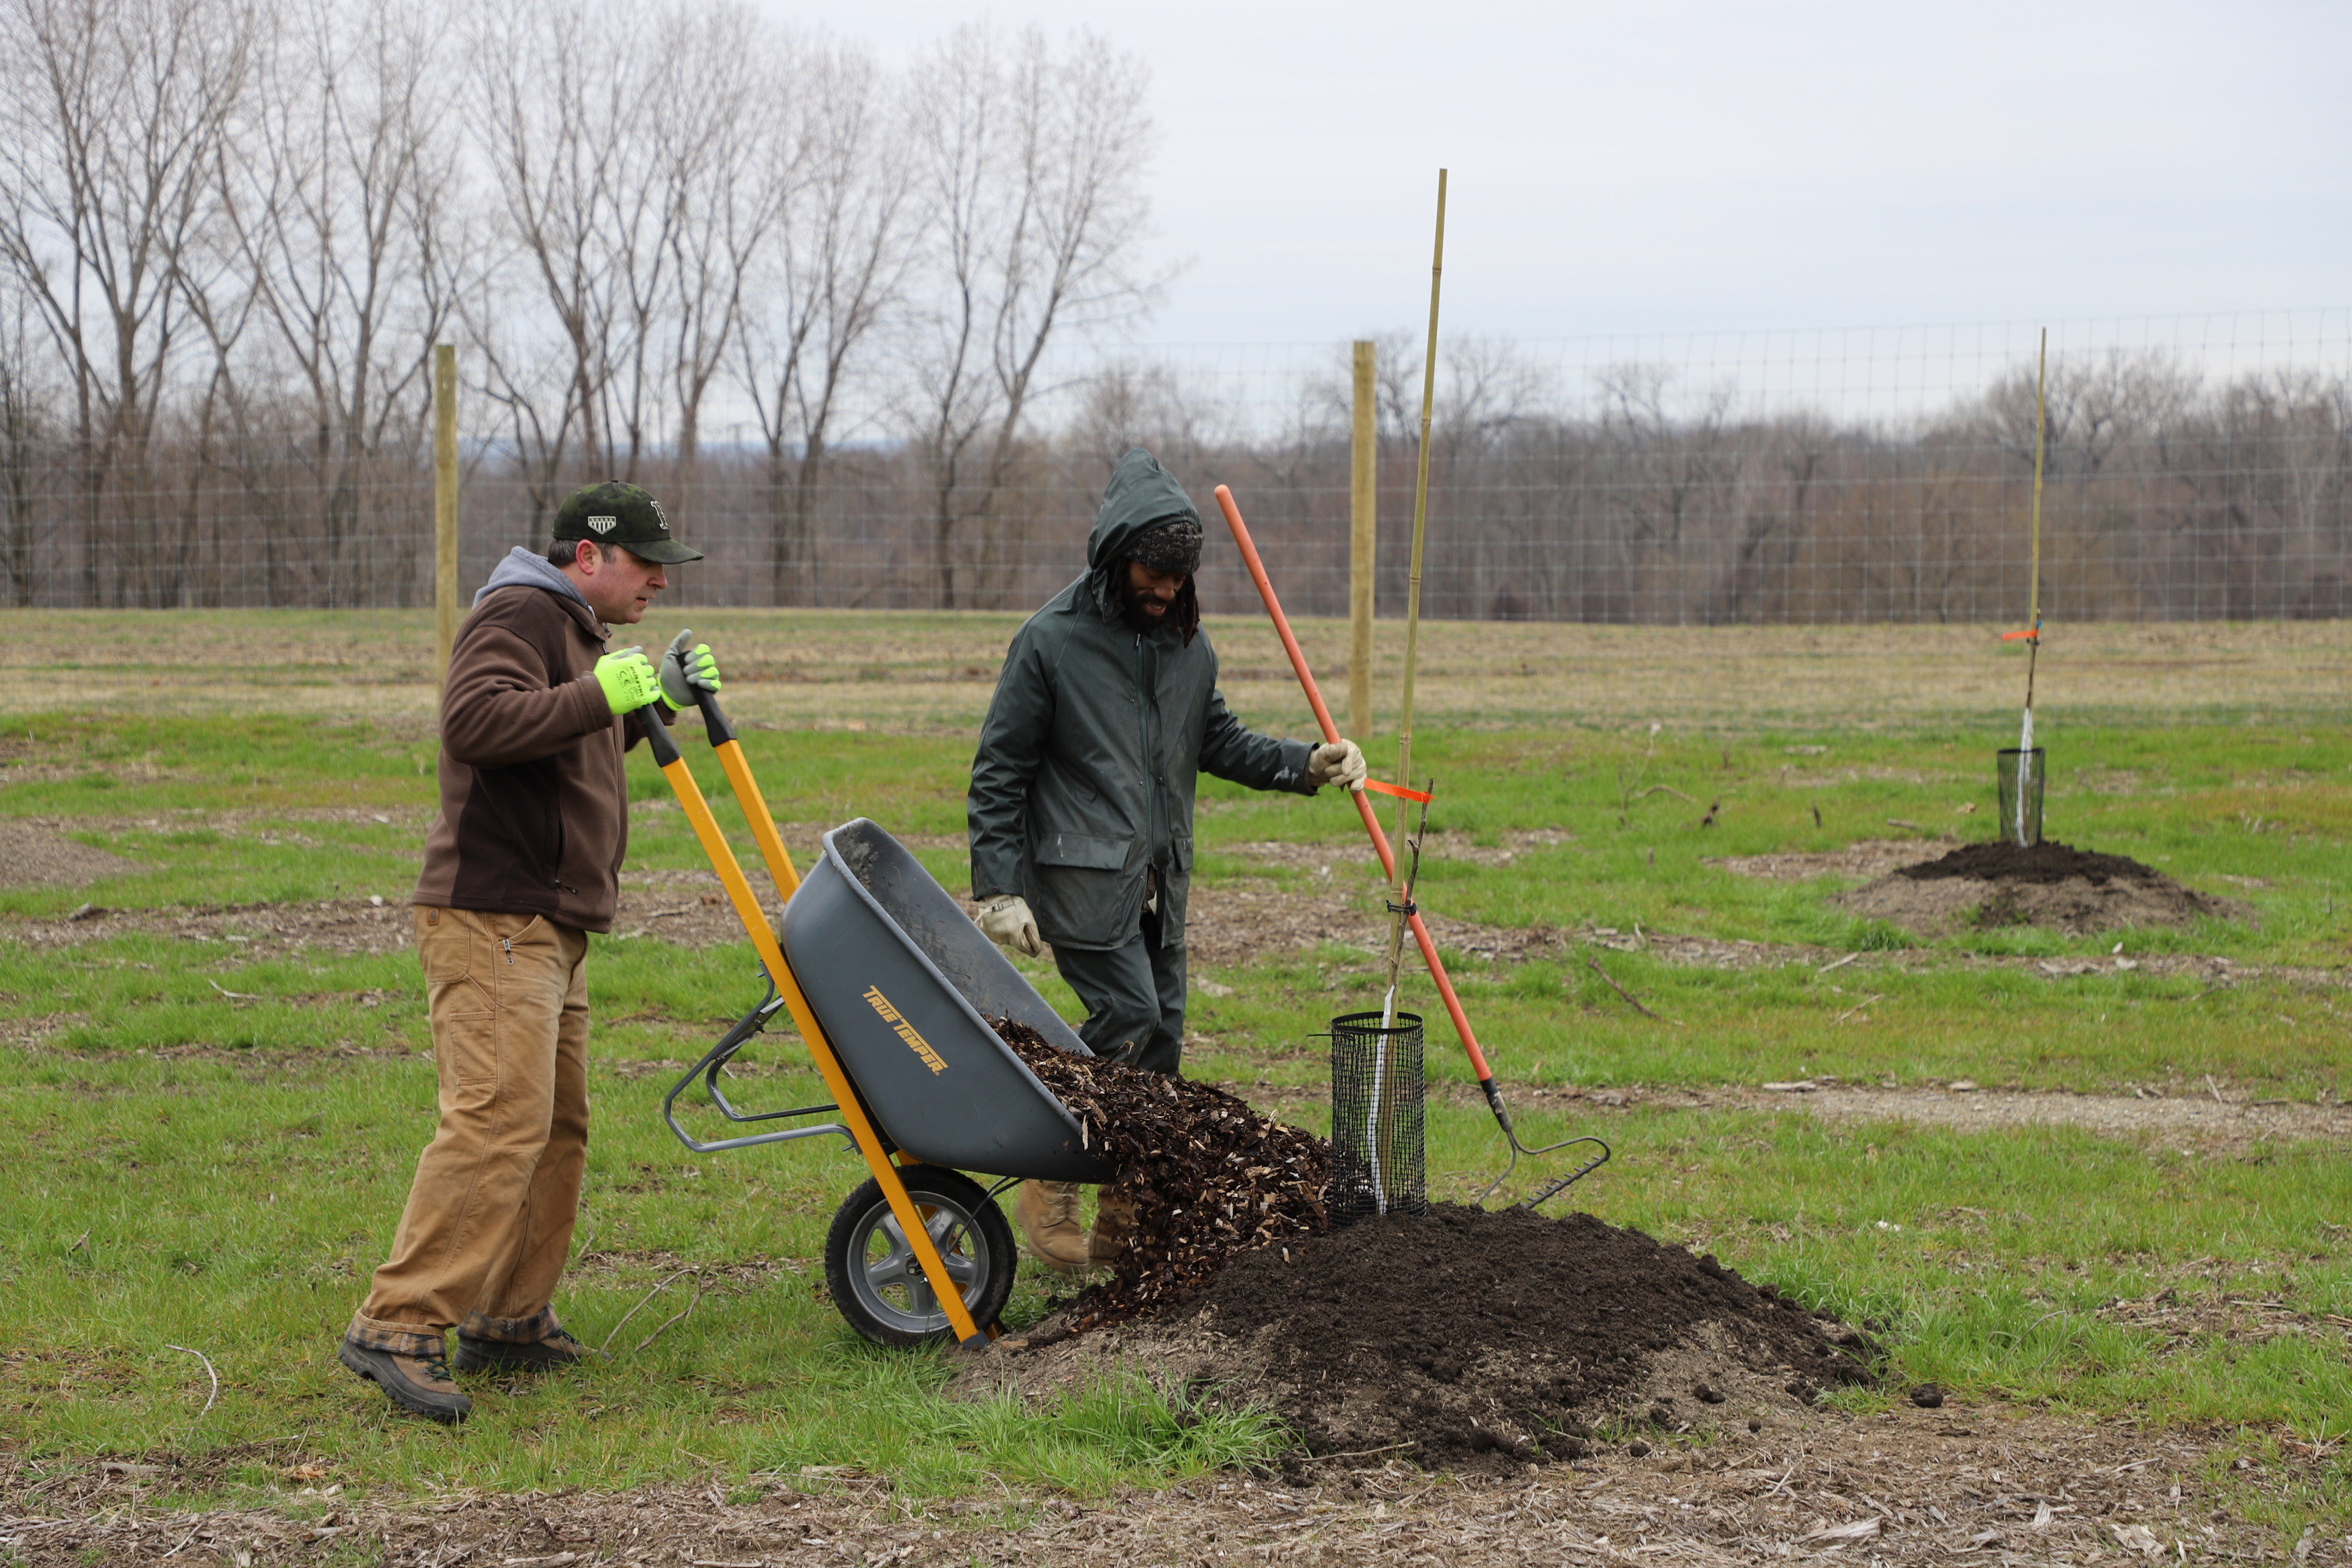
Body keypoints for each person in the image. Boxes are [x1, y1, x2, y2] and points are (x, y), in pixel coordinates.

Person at [337, 481, 721, 1424]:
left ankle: (509, 1317)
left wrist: (647, 702)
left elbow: (560, 737)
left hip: (548, 924)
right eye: (645, 563)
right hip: (494, 916)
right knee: (498, 1119)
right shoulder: (517, 611)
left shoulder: (574, 630)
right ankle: (398, 1320)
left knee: (556, 1127)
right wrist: (600, 693)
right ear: (586, 557)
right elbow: (475, 724)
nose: (660, 581)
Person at [966, 447, 1367, 1273]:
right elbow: (1000, 769)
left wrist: (1305, 763)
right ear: (1116, 558)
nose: (1164, 593)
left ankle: (1129, 1217)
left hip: (1160, 882)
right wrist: (999, 889)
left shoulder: (1190, 647)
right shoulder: (1050, 643)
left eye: (1178, 581)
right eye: (1152, 575)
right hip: (1080, 880)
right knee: (1127, 1018)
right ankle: (1048, 1189)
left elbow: (1216, 739)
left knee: (1163, 1045)